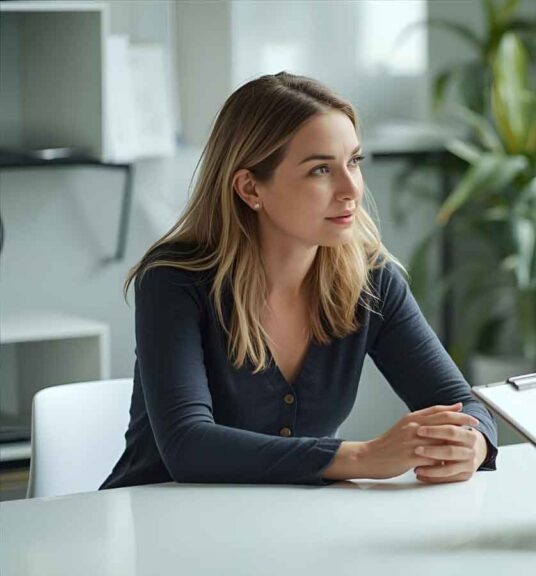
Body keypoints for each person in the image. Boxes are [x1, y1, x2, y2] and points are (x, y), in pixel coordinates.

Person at [102, 72, 497, 489]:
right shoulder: (174, 281)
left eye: (354, 162)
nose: (351, 189)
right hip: (155, 526)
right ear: (250, 187)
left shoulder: (371, 281)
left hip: (289, 529)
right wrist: (362, 456)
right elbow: (187, 445)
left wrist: (471, 442)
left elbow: (464, 403)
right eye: (320, 170)